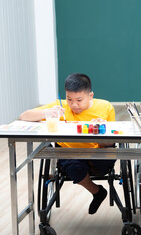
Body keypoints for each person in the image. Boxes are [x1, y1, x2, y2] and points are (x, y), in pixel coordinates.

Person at [19, 73, 116, 215]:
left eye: (79, 100)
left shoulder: (105, 107)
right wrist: (46, 113)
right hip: (70, 154)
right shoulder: (60, 106)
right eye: (69, 99)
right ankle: (97, 191)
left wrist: (100, 132)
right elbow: (24, 116)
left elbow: (110, 144)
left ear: (91, 96)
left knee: (102, 158)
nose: (74, 104)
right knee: (72, 165)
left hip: (98, 154)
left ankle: (96, 190)